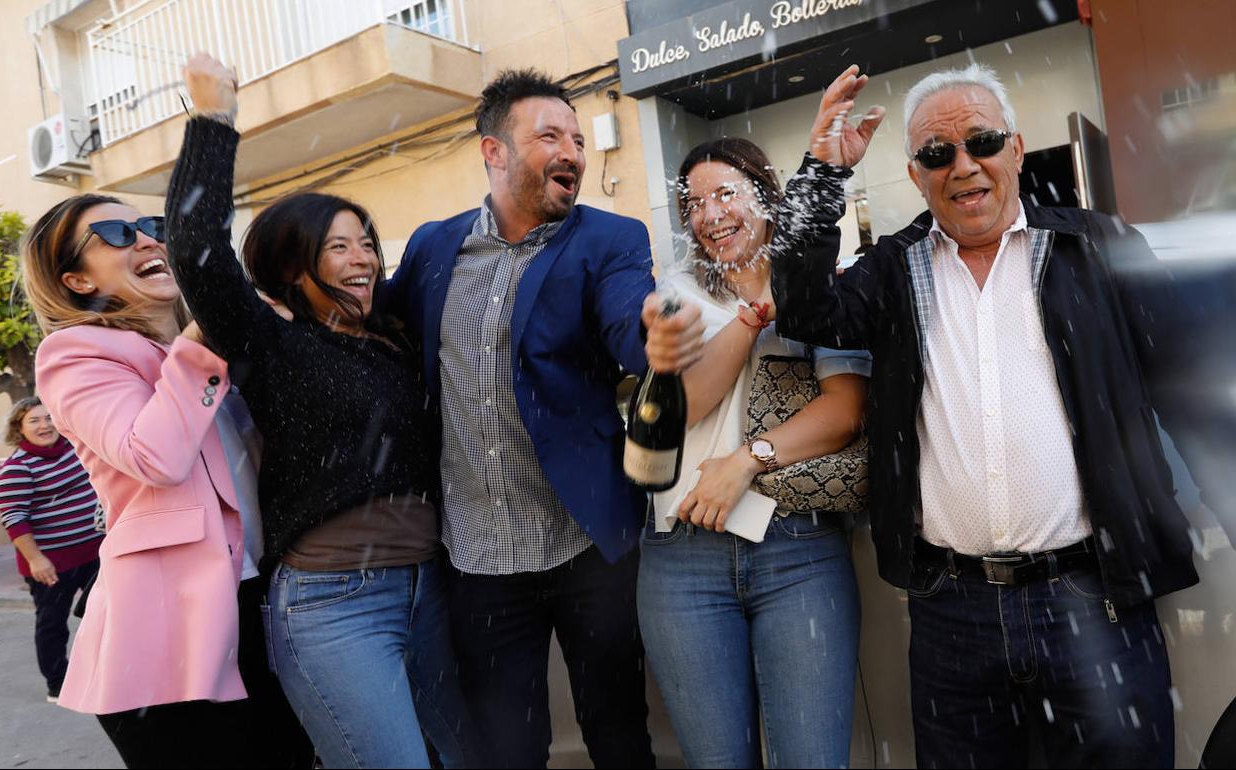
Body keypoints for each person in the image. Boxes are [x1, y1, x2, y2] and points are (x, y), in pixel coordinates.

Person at [650, 62, 1203, 768]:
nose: (963, 166)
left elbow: (1187, 391)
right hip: (954, 611)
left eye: (981, 142)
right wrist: (822, 170)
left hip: (1094, 598)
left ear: (1016, 148)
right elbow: (806, 305)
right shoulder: (894, 267)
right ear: (916, 174)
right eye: (938, 154)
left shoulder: (1098, 246)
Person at [166, 53, 474, 769]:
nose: (363, 256)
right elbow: (195, 248)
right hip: (334, 607)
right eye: (338, 246)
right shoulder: (271, 344)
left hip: (427, 589)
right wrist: (214, 118)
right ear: (292, 266)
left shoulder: (392, 339)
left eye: (366, 240)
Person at [382, 69, 656, 768]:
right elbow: (378, 337)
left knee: (619, 732)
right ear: (494, 151)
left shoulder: (610, 239)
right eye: (549, 136)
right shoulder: (433, 249)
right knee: (508, 749)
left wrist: (656, 335)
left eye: (576, 137)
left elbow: (629, 320)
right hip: (477, 557)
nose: (573, 150)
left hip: (587, 543)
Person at [21, 192, 307, 769]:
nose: (150, 239)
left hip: (257, 605)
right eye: (118, 234)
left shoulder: (196, 351)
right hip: (163, 641)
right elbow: (153, 455)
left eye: (150, 226)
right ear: (76, 280)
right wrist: (199, 341)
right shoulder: (76, 353)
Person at [636, 137, 870, 768]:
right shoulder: (678, 290)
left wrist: (746, 461)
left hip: (798, 552)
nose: (710, 215)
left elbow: (844, 411)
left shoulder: (820, 283)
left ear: (765, 199)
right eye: (696, 203)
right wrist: (751, 318)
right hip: (682, 561)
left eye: (726, 194)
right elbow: (687, 404)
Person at [0, 396, 102, 703]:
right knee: (53, 623)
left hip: (95, 552)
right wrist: (35, 559)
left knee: (107, 613)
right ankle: (59, 684)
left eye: (49, 418)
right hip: (51, 563)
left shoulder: (75, 449)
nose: (44, 426)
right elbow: (14, 520)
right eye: (34, 420)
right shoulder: (15, 469)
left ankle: (105, 669)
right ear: (19, 428)